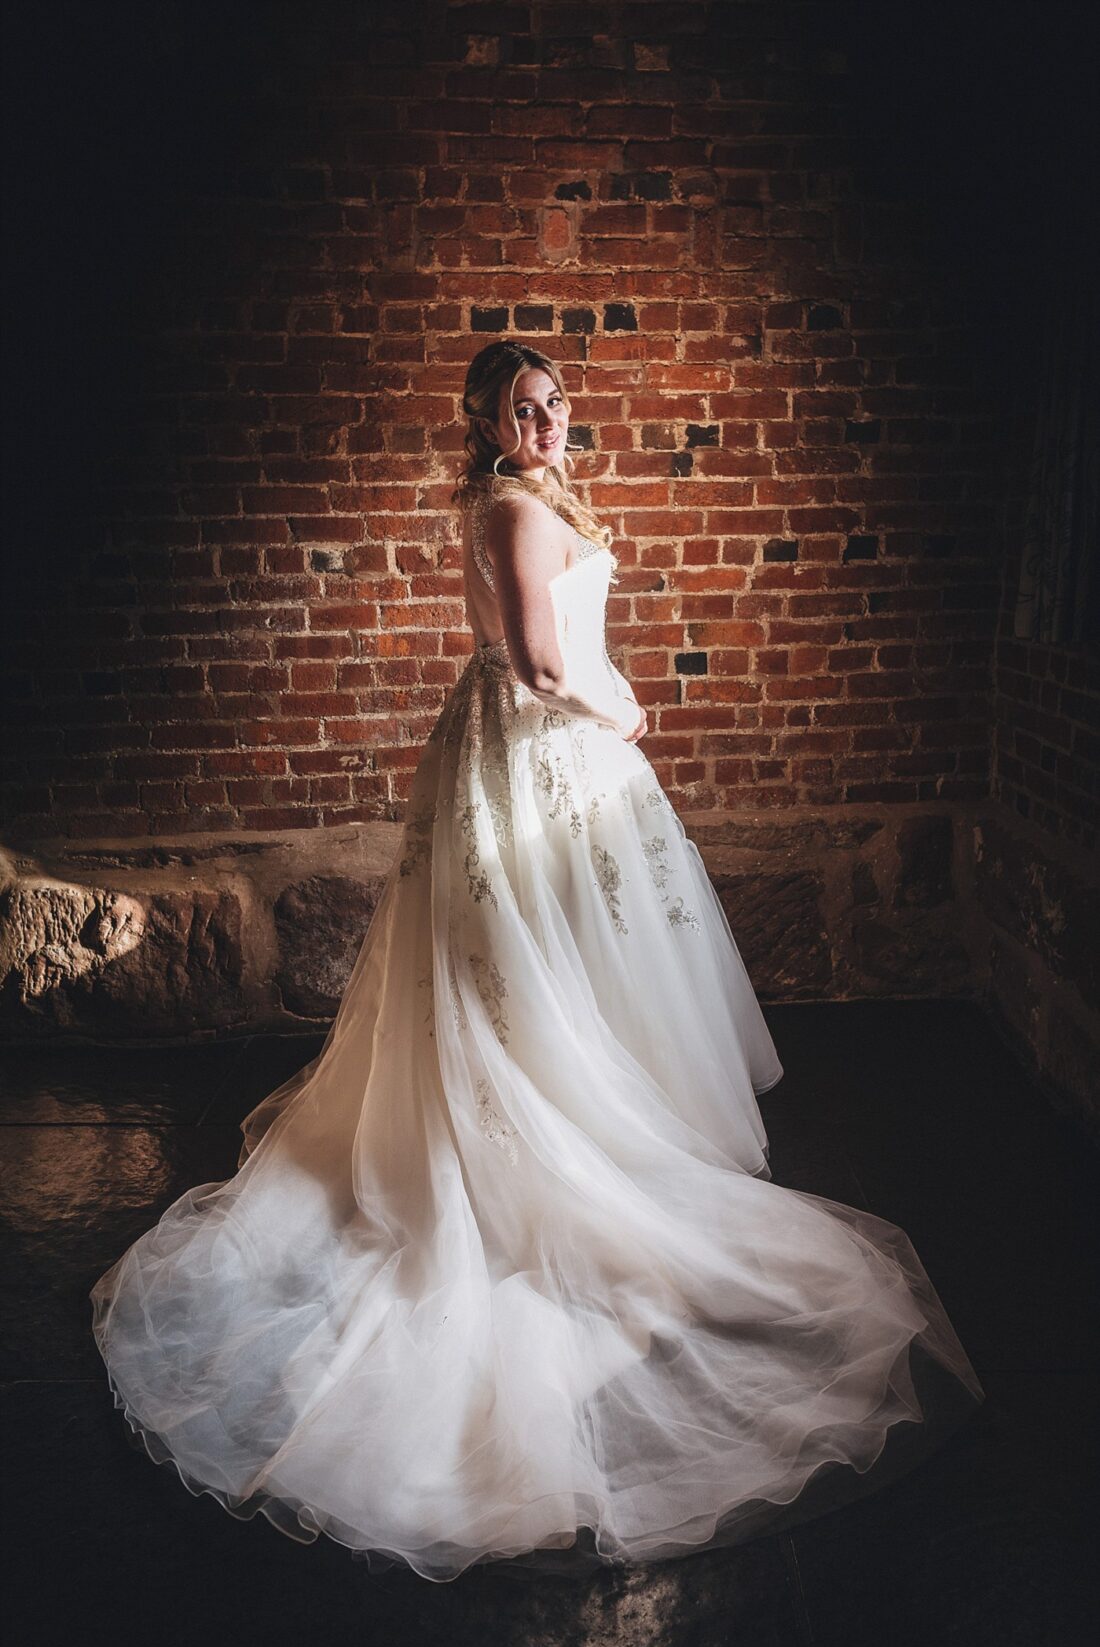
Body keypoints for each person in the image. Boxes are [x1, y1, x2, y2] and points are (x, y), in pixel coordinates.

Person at [90, 339, 983, 1583]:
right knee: (527, 964)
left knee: (574, 962)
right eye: (526, 405)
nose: (550, 419)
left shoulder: (532, 493)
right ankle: (554, 1146)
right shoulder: (510, 502)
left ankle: (604, 1107)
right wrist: (616, 711)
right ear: (489, 420)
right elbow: (537, 664)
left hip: (543, 754)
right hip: (543, 749)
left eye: (558, 402)